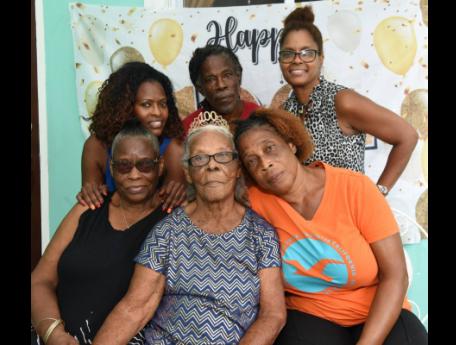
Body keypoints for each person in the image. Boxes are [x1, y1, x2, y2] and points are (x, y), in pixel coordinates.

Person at [234, 108, 428, 345]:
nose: (265, 163)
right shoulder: (254, 204)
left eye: (270, 148)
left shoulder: (354, 188)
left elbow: (395, 275)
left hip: (377, 312)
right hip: (310, 316)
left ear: (291, 144)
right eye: (252, 161)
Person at [93, 111, 286, 345]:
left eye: (222, 156)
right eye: (200, 159)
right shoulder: (167, 231)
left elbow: (272, 315)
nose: (212, 166)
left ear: (237, 169)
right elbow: (135, 307)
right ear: (188, 173)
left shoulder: (261, 234)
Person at [31, 119, 168, 344]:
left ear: (160, 166)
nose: (134, 175)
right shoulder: (88, 208)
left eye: (145, 165)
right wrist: (54, 334)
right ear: (112, 169)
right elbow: (40, 280)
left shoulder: (170, 222)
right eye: (124, 166)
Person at [278, 5, 418, 196]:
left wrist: (378, 194)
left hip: (349, 218)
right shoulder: (285, 111)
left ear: (321, 58)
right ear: (280, 60)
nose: (297, 60)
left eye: (307, 53)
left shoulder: (341, 101)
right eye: (288, 53)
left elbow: (407, 136)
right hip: (308, 222)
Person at [79, 62, 185, 211]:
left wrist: (178, 192)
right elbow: (91, 206)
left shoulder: (173, 148)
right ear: (125, 107)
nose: (158, 112)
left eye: (162, 104)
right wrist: (90, 194)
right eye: (146, 105)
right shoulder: (96, 146)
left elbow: (171, 207)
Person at [182, 44, 259, 135]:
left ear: (238, 76)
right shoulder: (190, 128)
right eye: (211, 79)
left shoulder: (259, 117)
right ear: (200, 88)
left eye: (227, 75)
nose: (221, 85)